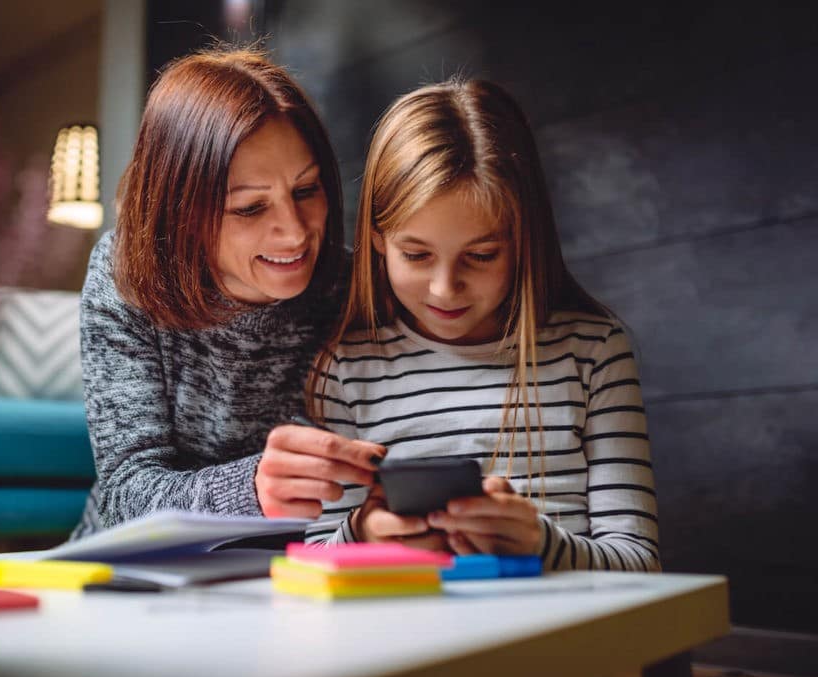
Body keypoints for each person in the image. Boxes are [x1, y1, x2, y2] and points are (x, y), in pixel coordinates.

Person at [303, 78, 660, 572]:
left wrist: (540, 544)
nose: (445, 288)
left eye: (481, 255)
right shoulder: (346, 369)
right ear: (378, 239)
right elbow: (313, 564)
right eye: (417, 254)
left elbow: (640, 564)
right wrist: (364, 533)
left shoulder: (593, 351)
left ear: (522, 241)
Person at [71, 47, 384, 539]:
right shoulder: (124, 276)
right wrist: (254, 490)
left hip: (297, 573)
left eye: (306, 191)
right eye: (250, 209)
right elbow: (125, 493)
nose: (296, 232)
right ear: (181, 210)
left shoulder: (352, 286)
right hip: (133, 570)